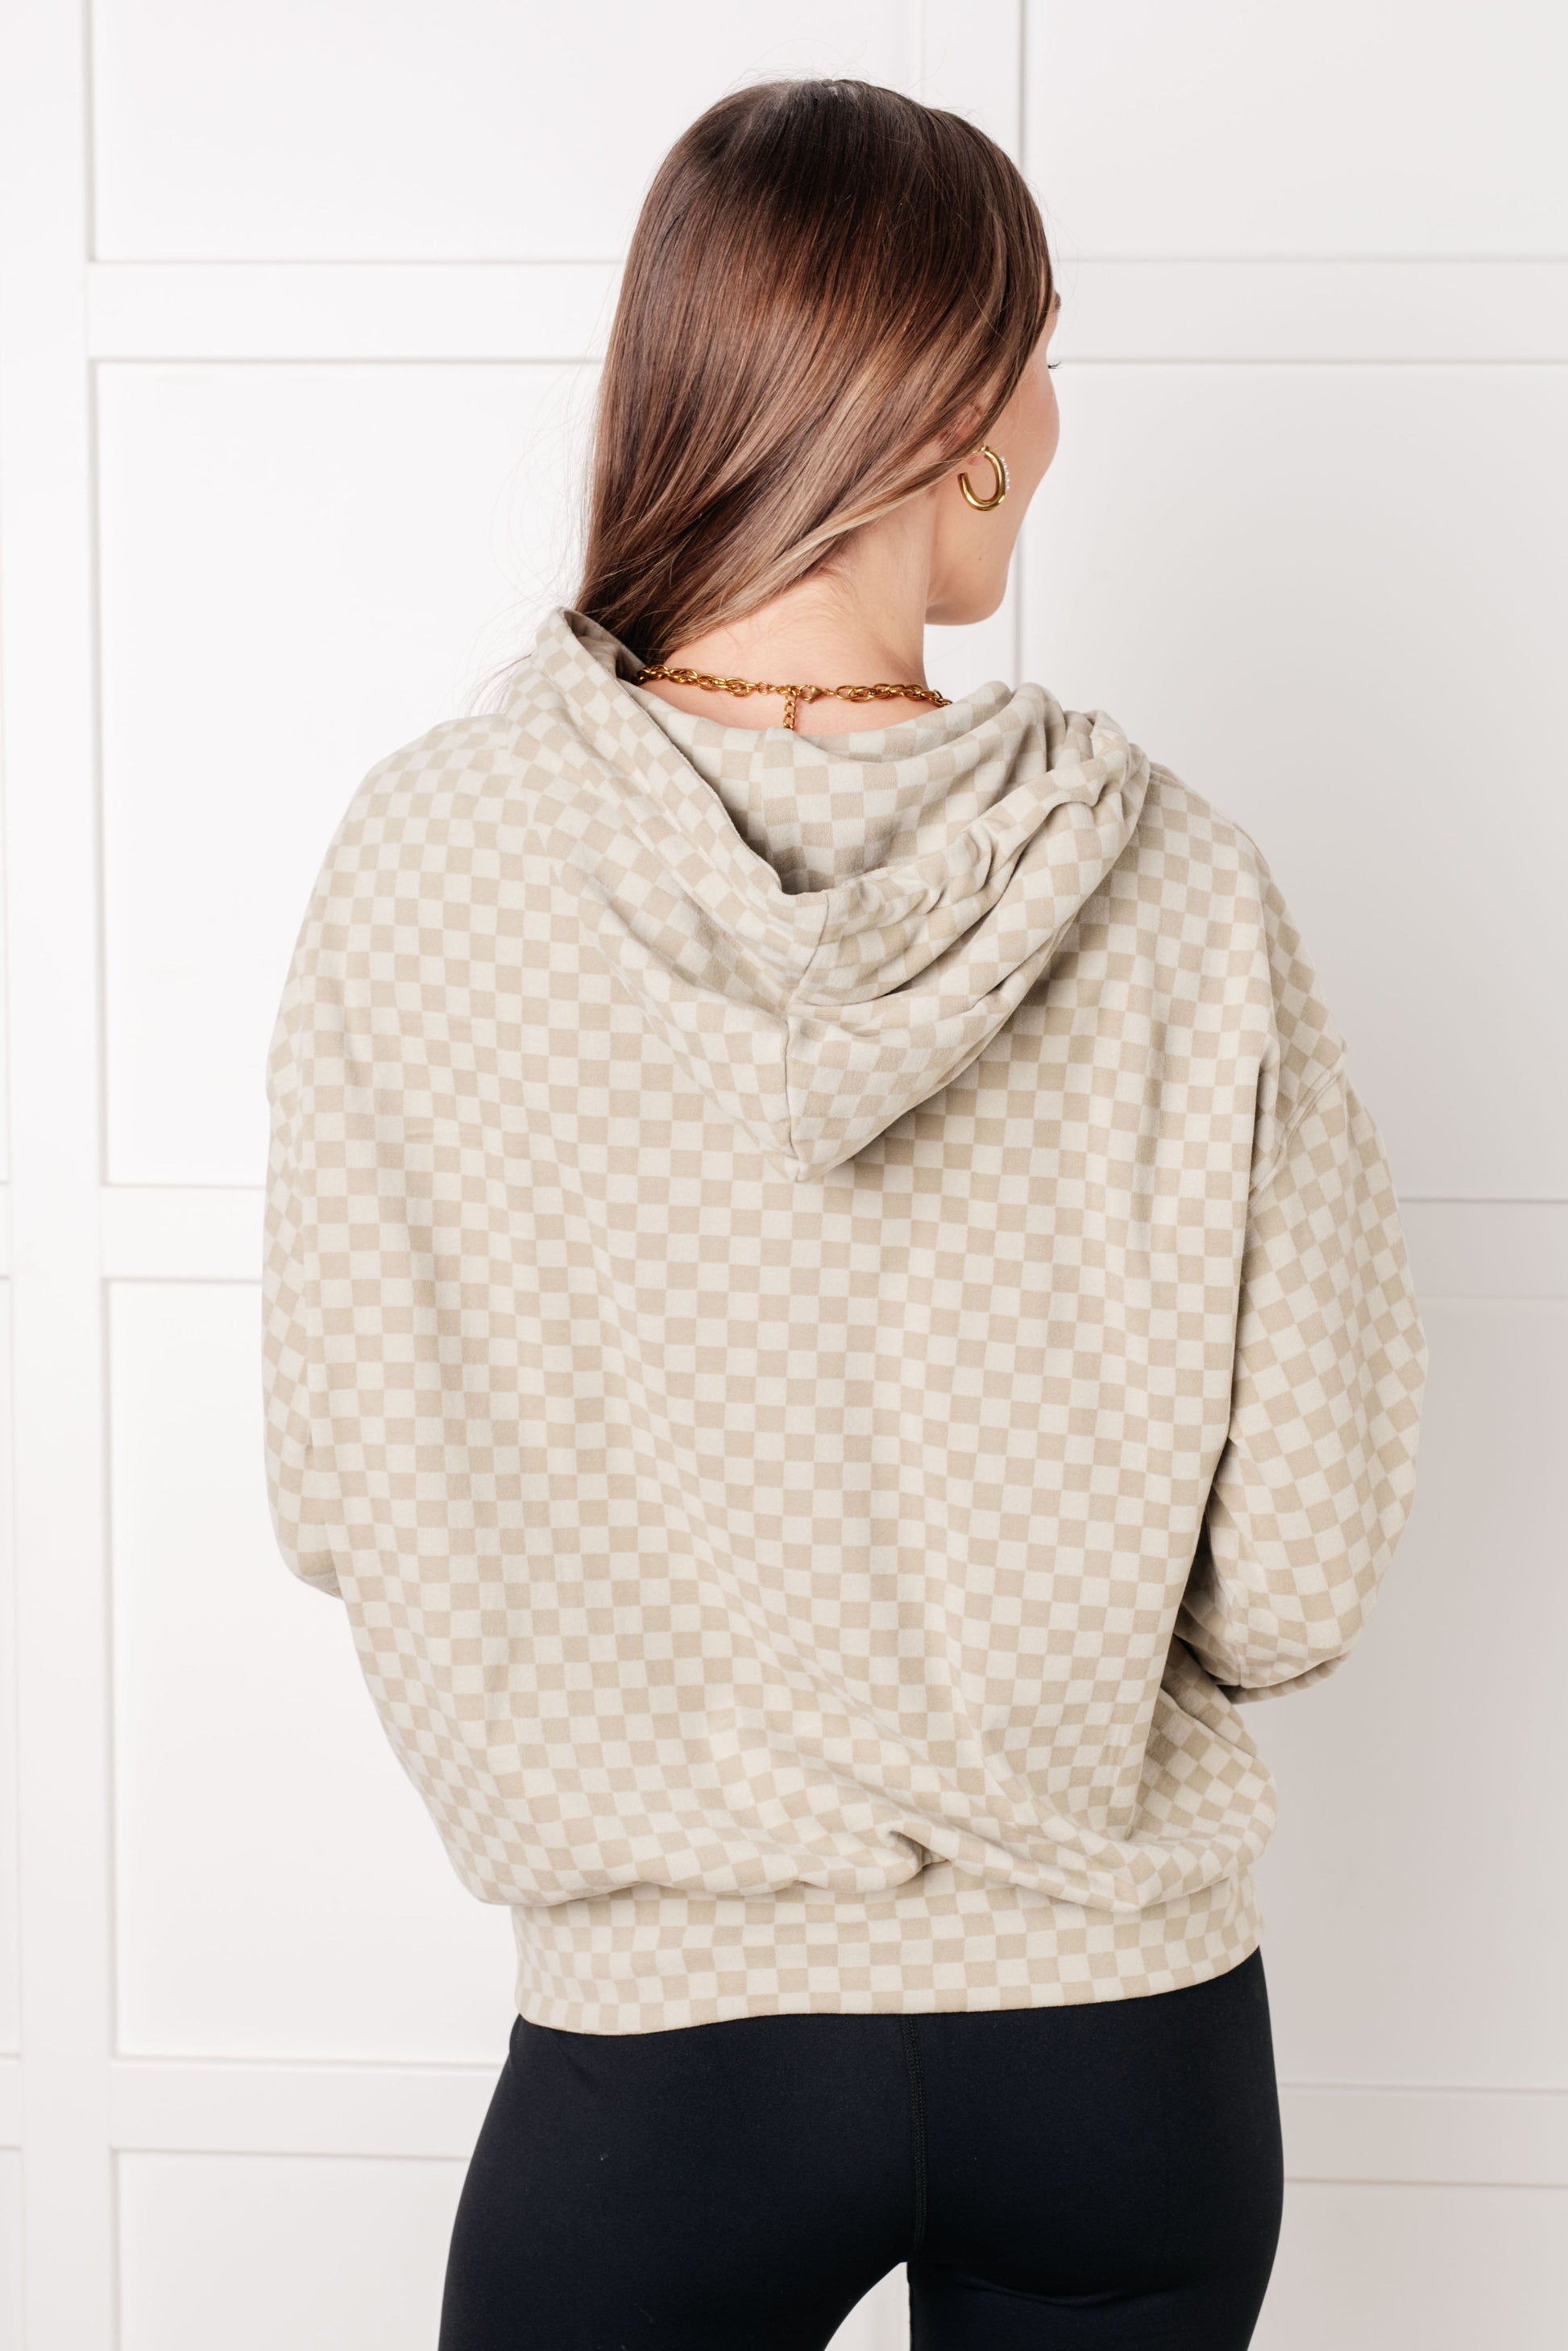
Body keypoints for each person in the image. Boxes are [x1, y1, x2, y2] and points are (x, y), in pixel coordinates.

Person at [261, 77, 1428, 2351]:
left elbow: (334, 1496)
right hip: (1120, 2051)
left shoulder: (433, 868)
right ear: (954, 419)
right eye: (1040, 361)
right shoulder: (1177, 889)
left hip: (657, 2073)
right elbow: (1297, 1578)